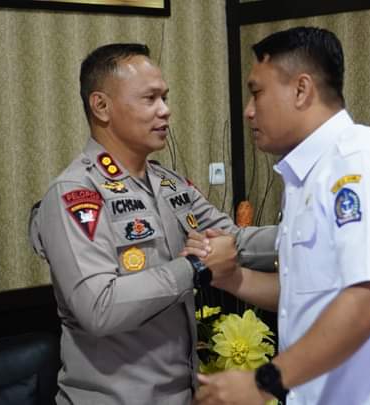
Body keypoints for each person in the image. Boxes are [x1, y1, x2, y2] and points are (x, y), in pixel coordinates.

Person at [192, 27, 370, 404]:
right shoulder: (305, 178)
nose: (248, 110)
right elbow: (308, 295)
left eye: (257, 92)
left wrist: (263, 382)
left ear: (301, 89)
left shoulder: (361, 162)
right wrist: (234, 279)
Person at [28, 43, 276, 405]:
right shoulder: (76, 193)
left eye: (165, 97)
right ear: (101, 106)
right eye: (150, 99)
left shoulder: (169, 183)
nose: (165, 110)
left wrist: (317, 232)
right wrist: (194, 268)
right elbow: (99, 306)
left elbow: (234, 240)